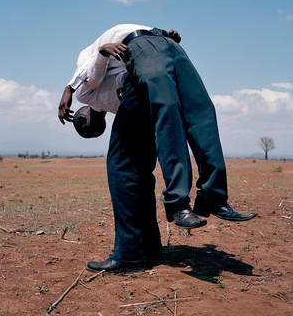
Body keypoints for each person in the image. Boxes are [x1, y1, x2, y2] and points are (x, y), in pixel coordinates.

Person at [59, 24, 257, 273]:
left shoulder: (86, 96)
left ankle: (144, 241)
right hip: (165, 52)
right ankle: (207, 202)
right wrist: (164, 40)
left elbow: (90, 73)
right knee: (200, 115)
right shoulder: (113, 103)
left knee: (125, 167)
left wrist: (73, 84)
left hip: (146, 50)